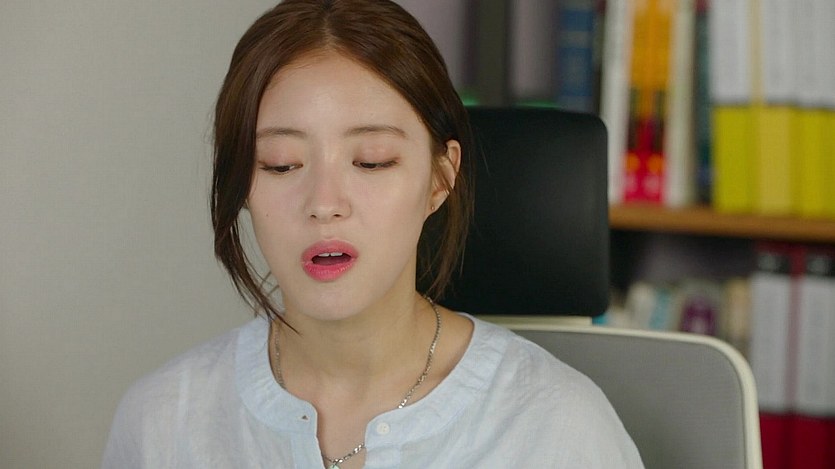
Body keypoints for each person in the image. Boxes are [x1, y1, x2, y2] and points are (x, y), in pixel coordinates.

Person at [101, 1, 644, 468]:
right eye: (281, 164)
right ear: (244, 182)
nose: (324, 204)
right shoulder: (163, 423)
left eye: (372, 161)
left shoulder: (557, 430)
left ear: (440, 178)